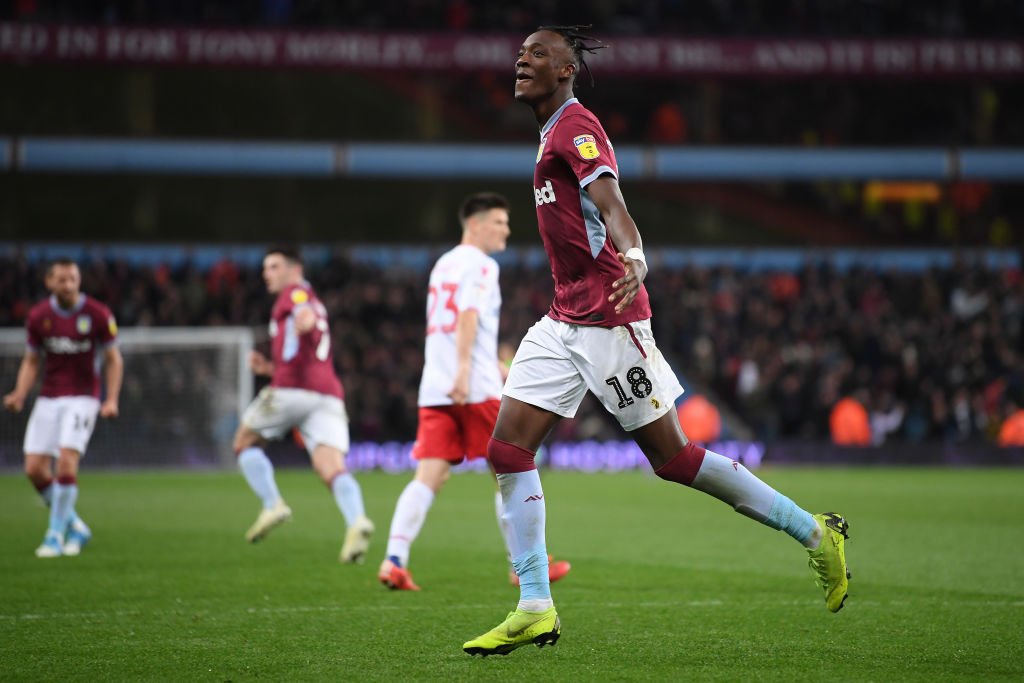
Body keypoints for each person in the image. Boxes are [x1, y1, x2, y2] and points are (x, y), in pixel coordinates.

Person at [462, 26, 851, 657]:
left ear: (566, 70)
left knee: (674, 460)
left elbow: (612, 202)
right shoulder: (548, 132)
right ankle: (535, 605)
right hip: (564, 321)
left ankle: (814, 533)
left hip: (612, 322)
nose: (521, 59)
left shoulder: (574, 126)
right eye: (521, 51)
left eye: (537, 53)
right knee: (507, 451)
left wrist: (636, 254)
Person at [378, 192, 571, 591]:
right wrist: (468, 370)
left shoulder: (443, 264)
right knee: (511, 473)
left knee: (428, 476)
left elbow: (451, 324)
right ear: (475, 223)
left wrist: (487, 365)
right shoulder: (481, 265)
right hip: (473, 387)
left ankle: (394, 559)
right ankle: (525, 566)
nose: (506, 229)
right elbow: (467, 315)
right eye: (499, 222)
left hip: (437, 385)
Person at [235, 246, 374, 563]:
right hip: (326, 394)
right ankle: (357, 521)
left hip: (292, 391)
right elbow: (307, 350)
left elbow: (303, 314)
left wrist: (306, 321)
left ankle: (273, 504)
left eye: (273, 266)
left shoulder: (295, 295)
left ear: (294, 269)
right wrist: (268, 368)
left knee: (243, 443)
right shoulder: (314, 299)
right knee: (332, 467)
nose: (266, 273)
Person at [3, 258, 122, 558]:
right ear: (49, 282)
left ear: (79, 280)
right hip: (49, 397)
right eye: (62, 280)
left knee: (66, 462)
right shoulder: (38, 316)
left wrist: (111, 399)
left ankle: (54, 536)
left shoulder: (97, 314)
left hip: (83, 397)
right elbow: (32, 361)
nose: (68, 285)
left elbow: (113, 359)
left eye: (73, 279)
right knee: (33, 469)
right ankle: (76, 526)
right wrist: (19, 393)